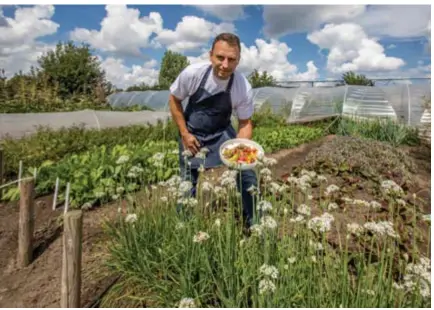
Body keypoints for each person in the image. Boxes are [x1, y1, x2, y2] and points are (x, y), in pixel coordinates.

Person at [168, 32, 258, 228]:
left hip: (222, 132)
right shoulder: (193, 74)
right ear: (211, 55)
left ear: (238, 60)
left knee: (247, 174)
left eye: (231, 59)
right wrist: (184, 133)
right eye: (220, 57)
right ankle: (184, 227)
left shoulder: (242, 86)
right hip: (193, 132)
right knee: (187, 181)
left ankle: (255, 224)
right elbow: (174, 99)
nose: (225, 65)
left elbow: (244, 123)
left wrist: (240, 148)